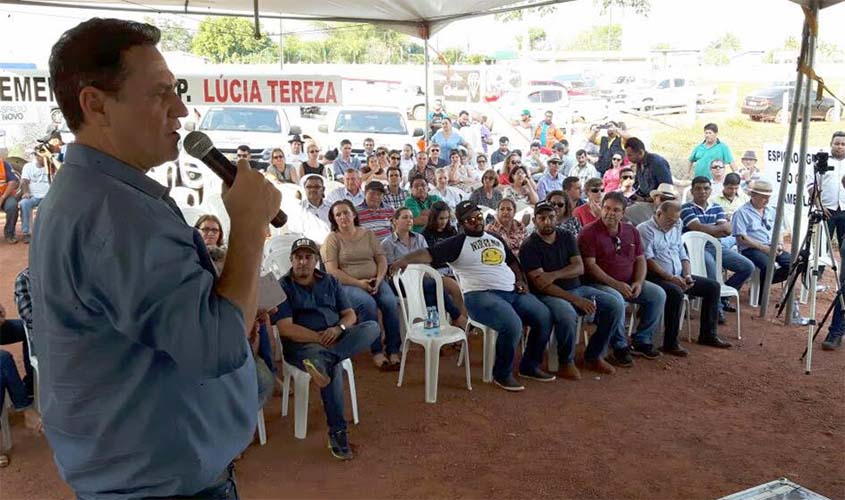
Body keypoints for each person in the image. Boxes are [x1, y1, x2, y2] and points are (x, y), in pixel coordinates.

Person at [32, 19, 282, 498]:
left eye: (178, 91)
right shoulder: (115, 213)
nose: (181, 108)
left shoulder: (94, 193)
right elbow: (219, 347)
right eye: (160, 93)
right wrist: (248, 228)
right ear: (96, 104)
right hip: (162, 486)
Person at [390, 200, 555, 391]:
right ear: (461, 224)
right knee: (513, 324)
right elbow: (427, 254)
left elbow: (512, 262)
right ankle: (502, 373)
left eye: (478, 217)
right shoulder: (457, 243)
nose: (476, 221)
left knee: (544, 316)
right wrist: (402, 260)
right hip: (480, 296)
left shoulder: (495, 238)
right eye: (470, 220)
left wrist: (520, 281)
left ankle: (530, 365)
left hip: (511, 291)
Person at [273, 237, 380, 460]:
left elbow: (349, 315)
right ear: (291, 260)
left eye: (308, 257)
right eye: (298, 257)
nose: (303, 262)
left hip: (335, 338)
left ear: (316, 261)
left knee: (371, 327)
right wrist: (318, 338)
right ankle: (338, 432)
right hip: (303, 346)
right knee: (333, 370)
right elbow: (285, 328)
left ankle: (326, 360)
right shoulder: (283, 287)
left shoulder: (330, 281)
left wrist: (339, 329)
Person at [520, 202, 623, 379]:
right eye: (542, 218)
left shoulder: (566, 236)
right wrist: (573, 298)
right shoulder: (529, 246)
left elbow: (579, 268)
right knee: (567, 315)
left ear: (556, 218)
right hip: (549, 295)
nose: (547, 222)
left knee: (614, 305)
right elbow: (542, 285)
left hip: (578, 288)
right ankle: (565, 361)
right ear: (535, 221)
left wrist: (553, 275)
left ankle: (594, 355)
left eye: (551, 217)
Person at [578, 192, 667, 365]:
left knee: (658, 294)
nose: (610, 213)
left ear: (623, 212)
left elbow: (641, 259)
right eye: (606, 208)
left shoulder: (631, 230)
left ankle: (642, 340)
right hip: (599, 284)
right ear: (601, 209)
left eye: (616, 210)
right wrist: (616, 284)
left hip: (628, 282)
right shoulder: (588, 232)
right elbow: (590, 266)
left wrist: (639, 283)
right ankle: (619, 346)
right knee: (616, 300)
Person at [638, 201, 732, 352]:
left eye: (676, 221)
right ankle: (670, 343)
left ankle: (708, 334)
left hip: (677, 274)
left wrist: (687, 274)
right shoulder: (645, 229)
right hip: (655, 276)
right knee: (675, 292)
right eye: (669, 220)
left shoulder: (677, 224)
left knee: (712, 287)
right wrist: (670, 277)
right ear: (659, 214)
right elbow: (648, 260)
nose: (673, 224)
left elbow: (682, 253)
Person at [321, 200, 402, 370]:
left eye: (346, 212)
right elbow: (332, 271)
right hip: (347, 285)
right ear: (334, 219)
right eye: (338, 214)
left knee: (389, 302)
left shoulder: (368, 234)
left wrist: (379, 279)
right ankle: (377, 351)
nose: (343, 217)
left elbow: (381, 258)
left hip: (375, 280)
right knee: (367, 304)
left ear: (354, 214)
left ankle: (394, 349)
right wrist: (359, 283)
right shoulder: (332, 239)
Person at [732, 180, 808, 325]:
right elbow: (741, 238)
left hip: (771, 246)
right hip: (751, 248)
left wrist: (778, 243)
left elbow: (778, 230)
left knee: (795, 264)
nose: (766, 200)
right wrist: (762, 247)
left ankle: (762, 285)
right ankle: (761, 294)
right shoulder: (742, 212)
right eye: (763, 197)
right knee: (768, 266)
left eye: (768, 197)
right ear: (753, 195)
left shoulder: (771, 210)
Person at [681, 176, 754, 320]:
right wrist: (715, 228)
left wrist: (709, 229)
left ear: (710, 190)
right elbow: (698, 228)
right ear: (692, 191)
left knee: (747, 267)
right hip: (695, 250)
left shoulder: (716, 207)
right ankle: (717, 309)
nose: (702, 191)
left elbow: (727, 230)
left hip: (715, 246)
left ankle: (721, 298)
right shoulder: (686, 208)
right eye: (698, 188)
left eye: (706, 188)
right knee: (712, 269)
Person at [381, 208, 467, 328]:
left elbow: (427, 260)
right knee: (433, 285)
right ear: (395, 221)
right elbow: (391, 270)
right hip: (401, 282)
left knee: (430, 291)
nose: (409, 220)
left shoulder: (419, 238)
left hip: (423, 277)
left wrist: (419, 270)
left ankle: (433, 327)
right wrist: (413, 270)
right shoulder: (387, 243)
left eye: (411, 217)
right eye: (405, 217)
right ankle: (456, 317)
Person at [814, 131, 845, 248]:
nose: (840, 147)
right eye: (837, 143)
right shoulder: (821, 162)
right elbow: (812, 185)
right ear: (831, 144)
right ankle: (820, 266)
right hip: (826, 210)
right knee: (822, 248)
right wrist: (819, 205)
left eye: (843, 144)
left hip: (844, 210)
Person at [19, 152, 51, 244]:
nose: (43, 158)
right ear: (36, 157)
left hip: (48, 197)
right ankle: (27, 233)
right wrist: (25, 192)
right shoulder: (28, 166)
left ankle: (49, 233)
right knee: (24, 203)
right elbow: (24, 180)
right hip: (33, 196)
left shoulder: (51, 166)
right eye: (40, 156)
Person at [626, 137, 673, 201]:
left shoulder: (657, 163)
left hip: (655, 202)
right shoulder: (639, 163)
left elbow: (666, 192)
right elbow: (636, 185)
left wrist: (645, 200)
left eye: (630, 155)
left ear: (640, 152)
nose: (627, 158)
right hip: (643, 198)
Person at [0, 148, 19, 244]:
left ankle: (10, 233)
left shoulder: (4, 164)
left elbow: (13, 182)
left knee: (12, 206)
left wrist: (2, 198)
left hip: (5, 196)